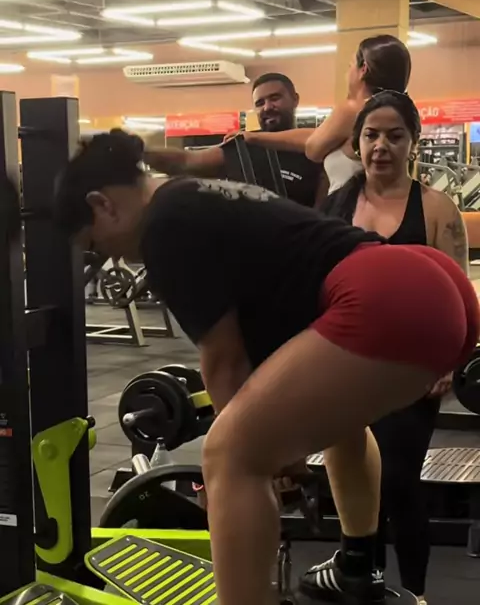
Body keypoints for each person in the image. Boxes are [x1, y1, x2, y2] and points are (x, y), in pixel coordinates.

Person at [53, 131, 479, 605]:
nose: (111, 255)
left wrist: (242, 466)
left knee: (228, 455)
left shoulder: (162, 225)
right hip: (428, 285)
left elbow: (224, 361)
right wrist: (277, 446)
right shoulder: (191, 196)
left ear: (102, 204)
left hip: (386, 294)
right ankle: (357, 569)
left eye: (95, 241)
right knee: (342, 426)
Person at [300, 91, 469, 605]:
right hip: (347, 364)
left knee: (398, 481)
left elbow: (457, 292)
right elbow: (316, 283)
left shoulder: (435, 208)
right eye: (371, 135)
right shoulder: (336, 205)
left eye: (395, 136)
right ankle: (363, 579)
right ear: (356, 143)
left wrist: (450, 359)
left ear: (412, 142)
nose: (381, 146)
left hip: (412, 369)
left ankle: (414, 592)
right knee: (355, 481)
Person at [228, 35, 412, 194]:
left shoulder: (352, 110)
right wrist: (254, 137)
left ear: (363, 69)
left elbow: (313, 149)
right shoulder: (397, 110)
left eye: (350, 66)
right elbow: (319, 135)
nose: (347, 74)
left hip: (353, 212)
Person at [143, 72, 326, 208]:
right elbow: (186, 161)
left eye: (275, 98)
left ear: (295, 99)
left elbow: (323, 211)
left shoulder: (317, 146)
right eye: (260, 103)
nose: (267, 107)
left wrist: (254, 137)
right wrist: (137, 151)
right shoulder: (244, 147)